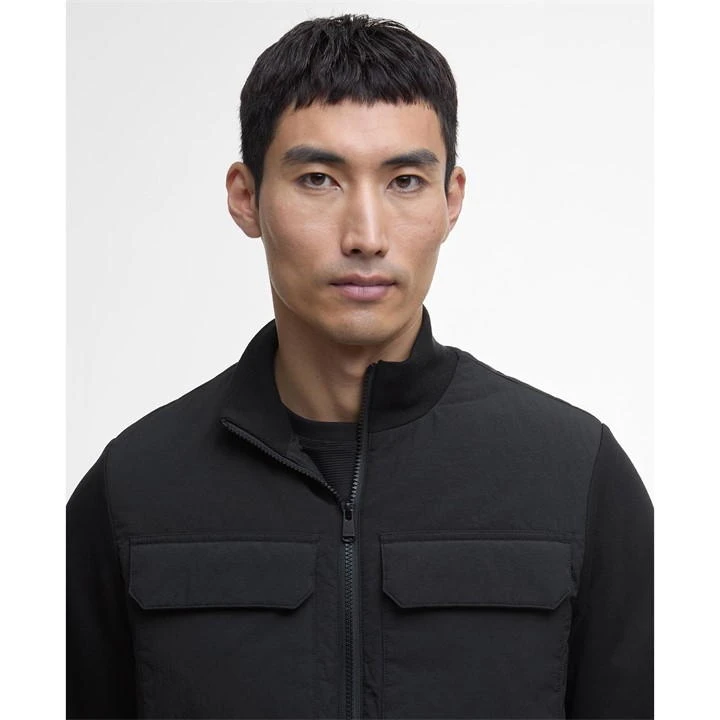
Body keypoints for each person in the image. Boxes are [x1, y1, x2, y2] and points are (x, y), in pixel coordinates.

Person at [66, 14, 653, 720]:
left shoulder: (578, 477)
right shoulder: (130, 490)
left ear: (451, 200)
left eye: (405, 180)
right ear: (246, 198)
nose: (366, 236)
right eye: (318, 179)